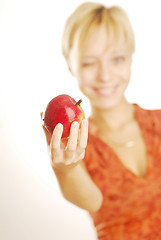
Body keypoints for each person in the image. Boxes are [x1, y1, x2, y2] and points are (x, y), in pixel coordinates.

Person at [42, 2, 161, 239]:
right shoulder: (77, 146)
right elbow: (93, 202)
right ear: (70, 65)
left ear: (130, 59)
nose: (105, 76)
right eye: (88, 63)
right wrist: (66, 169)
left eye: (117, 59)